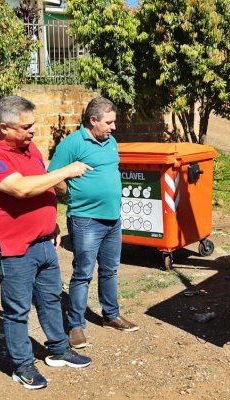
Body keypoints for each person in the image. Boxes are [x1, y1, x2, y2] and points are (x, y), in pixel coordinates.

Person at [0, 95, 92, 390]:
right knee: (17, 310)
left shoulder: (30, 149)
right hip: (12, 248)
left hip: (42, 242)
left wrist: (50, 223)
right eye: (26, 127)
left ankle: (58, 349)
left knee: (51, 298)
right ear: (4, 127)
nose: (32, 131)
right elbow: (22, 189)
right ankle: (22, 366)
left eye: (33, 125)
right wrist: (65, 170)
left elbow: (40, 185)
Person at [48, 96, 139, 350]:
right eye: (108, 122)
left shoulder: (111, 142)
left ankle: (111, 315)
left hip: (112, 219)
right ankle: (76, 325)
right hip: (85, 219)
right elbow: (53, 175)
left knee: (110, 270)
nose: (113, 127)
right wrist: (70, 195)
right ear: (93, 120)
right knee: (83, 273)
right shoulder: (72, 143)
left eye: (114, 122)